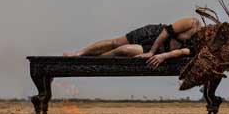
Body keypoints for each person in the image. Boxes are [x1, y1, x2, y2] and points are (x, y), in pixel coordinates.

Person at [64, 17, 202, 68]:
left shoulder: (200, 44)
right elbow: (166, 32)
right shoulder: (192, 23)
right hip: (154, 35)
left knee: (123, 50)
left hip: (160, 50)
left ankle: (94, 62)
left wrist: (161, 56)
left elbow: (183, 51)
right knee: (116, 42)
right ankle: (79, 53)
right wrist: (151, 52)